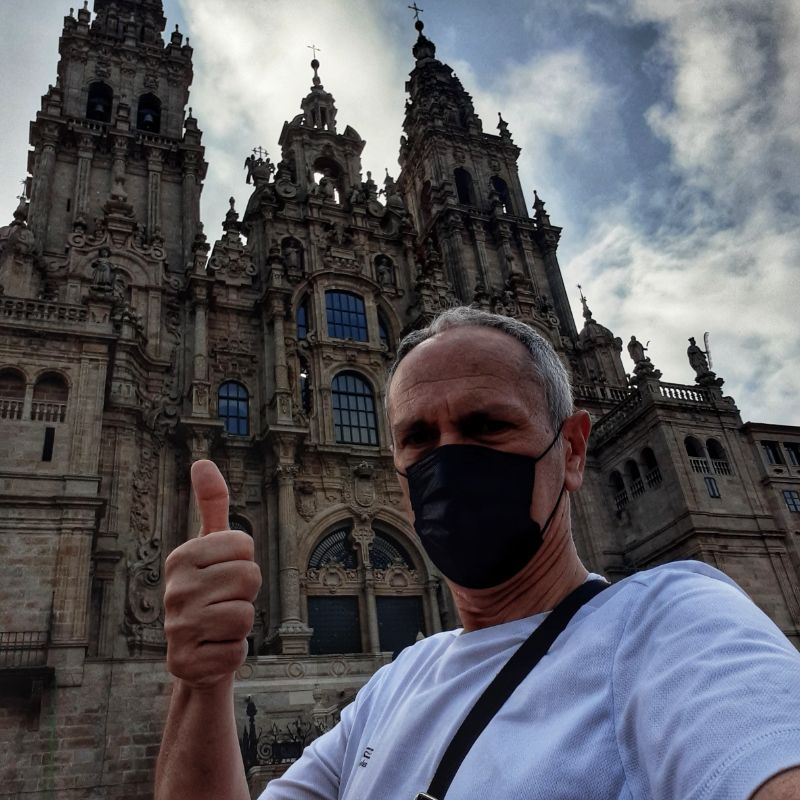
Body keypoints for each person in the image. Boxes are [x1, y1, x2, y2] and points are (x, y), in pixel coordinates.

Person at [155, 307, 800, 800]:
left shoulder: (673, 623)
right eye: (417, 437)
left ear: (573, 450)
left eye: (486, 425)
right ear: (397, 470)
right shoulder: (390, 692)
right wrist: (202, 681)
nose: (449, 459)